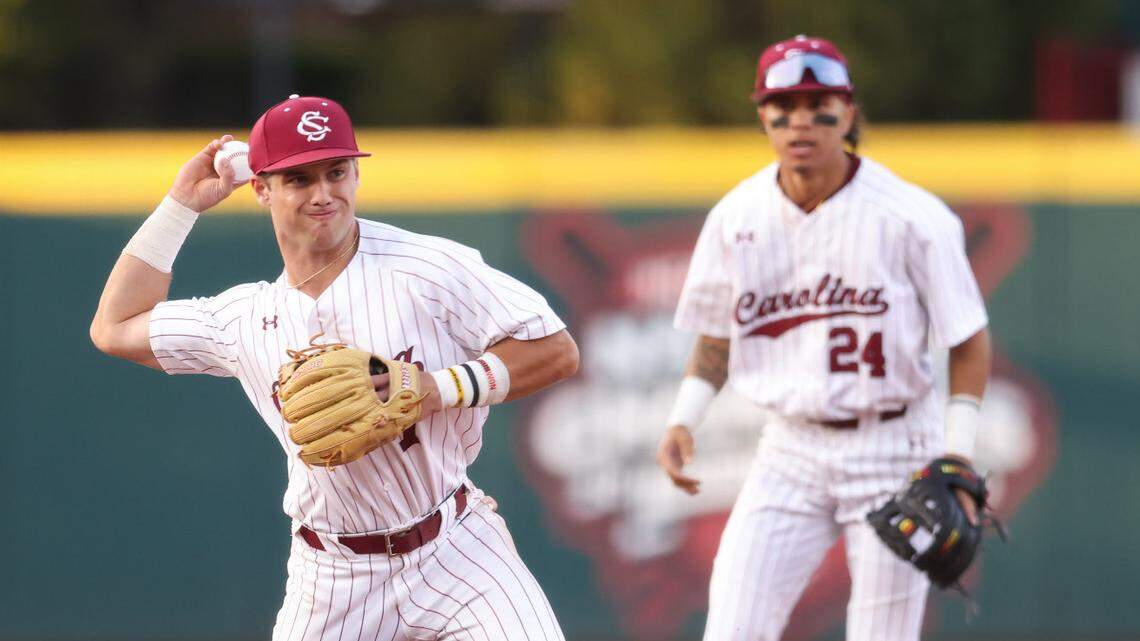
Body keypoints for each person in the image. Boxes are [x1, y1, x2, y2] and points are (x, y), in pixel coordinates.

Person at [90, 94, 577, 641]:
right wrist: (182, 205)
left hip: (457, 549)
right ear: (261, 188)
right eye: (299, 179)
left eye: (337, 172)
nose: (324, 194)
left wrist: (438, 388)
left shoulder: (427, 268)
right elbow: (114, 326)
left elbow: (556, 350)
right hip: (332, 578)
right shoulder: (246, 317)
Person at [656, 35, 992, 641]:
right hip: (790, 450)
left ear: (850, 112)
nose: (801, 121)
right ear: (762, 115)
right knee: (731, 629)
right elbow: (717, 337)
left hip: (893, 447)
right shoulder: (737, 218)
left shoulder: (911, 217)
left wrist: (958, 452)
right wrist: (684, 418)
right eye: (785, 106)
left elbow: (967, 338)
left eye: (820, 104)